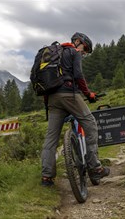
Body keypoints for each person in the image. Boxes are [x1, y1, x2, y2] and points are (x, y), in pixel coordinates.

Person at [41, 32, 110, 186]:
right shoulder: (73, 51)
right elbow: (78, 76)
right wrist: (88, 94)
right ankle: (95, 168)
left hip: (52, 99)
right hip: (69, 94)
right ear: (78, 41)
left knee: (51, 138)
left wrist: (48, 104)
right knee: (90, 124)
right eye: (85, 48)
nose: (84, 53)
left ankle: (46, 177)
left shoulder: (53, 54)